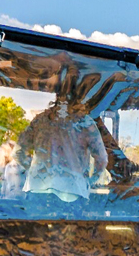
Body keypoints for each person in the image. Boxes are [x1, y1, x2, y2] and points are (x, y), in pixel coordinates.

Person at [17, 74, 107, 203]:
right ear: (79, 96)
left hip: (37, 190)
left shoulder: (39, 121)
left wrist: (38, 171)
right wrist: (89, 181)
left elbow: (18, 151)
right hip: (72, 191)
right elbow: (102, 159)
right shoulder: (85, 123)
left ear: (57, 95)